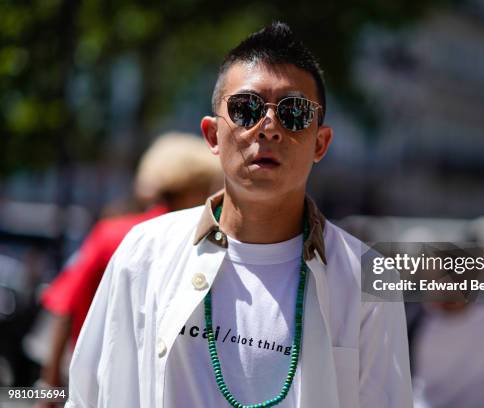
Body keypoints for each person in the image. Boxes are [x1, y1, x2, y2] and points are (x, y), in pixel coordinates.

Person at [66, 22, 412, 408]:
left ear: (321, 142)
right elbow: (89, 396)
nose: (268, 128)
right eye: (246, 109)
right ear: (212, 136)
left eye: (293, 113)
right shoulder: (144, 253)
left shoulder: (366, 277)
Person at [39, 132, 222, 390]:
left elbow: (63, 307)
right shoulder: (202, 242)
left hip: (99, 381)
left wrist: (50, 385)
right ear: (194, 188)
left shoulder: (112, 232)